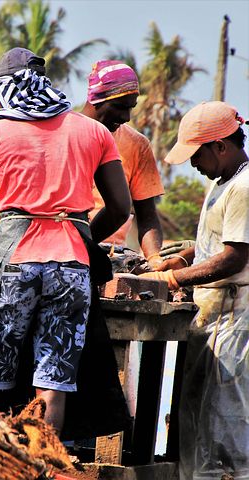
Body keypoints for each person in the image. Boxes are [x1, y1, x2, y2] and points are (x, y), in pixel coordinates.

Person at [0, 47, 131, 434]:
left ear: (3, 89)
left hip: (14, 263)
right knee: (54, 379)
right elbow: (121, 208)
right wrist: (80, 235)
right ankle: (47, 464)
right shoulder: (94, 131)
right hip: (72, 269)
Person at [141, 101, 249, 480]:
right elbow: (217, 242)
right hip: (214, 319)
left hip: (233, 322)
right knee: (197, 421)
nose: (192, 164)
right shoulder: (224, 182)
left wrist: (172, 281)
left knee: (225, 429)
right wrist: (184, 258)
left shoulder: (244, 187)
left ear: (220, 146)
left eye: (197, 154)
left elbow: (233, 258)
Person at [81, 60, 164, 264]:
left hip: (113, 253)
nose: (126, 117)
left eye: (131, 108)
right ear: (95, 99)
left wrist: (154, 259)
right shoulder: (64, 133)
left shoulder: (137, 144)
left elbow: (147, 215)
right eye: (119, 107)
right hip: (65, 247)